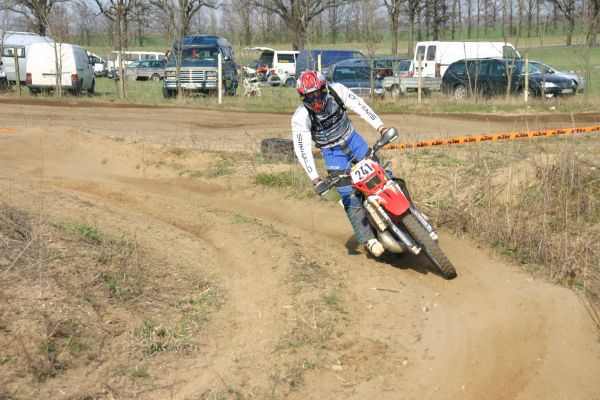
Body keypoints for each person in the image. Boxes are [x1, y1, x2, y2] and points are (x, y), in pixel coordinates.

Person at [291, 70, 389, 257]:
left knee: (382, 174)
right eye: (310, 97)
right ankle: (368, 239)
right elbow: (302, 149)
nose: (315, 101)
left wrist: (381, 127)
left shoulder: (337, 91)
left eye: (317, 94)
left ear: (324, 89)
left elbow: (360, 106)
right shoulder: (300, 117)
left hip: (353, 140)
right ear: (303, 98)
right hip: (332, 153)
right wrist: (315, 179)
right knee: (347, 194)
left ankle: (410, 209)